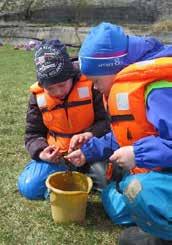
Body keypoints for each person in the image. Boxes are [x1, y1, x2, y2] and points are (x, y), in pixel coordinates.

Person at [66, 22, 172, 243]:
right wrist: (88, 151)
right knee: (119, 208)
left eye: (96, 80)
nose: (94, 88)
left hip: (156, 173)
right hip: (158, 169)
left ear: (113, 68)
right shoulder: (131, 84)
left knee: (137, 189)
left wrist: (137, 154)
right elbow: (129, 132)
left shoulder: (159, 89)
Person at [18, 39, 110, 200]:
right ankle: (64, 179)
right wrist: (41, 152)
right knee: (29, 187)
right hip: (58, 158)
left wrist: (90, 135)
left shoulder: (92, 86)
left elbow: (108, 122)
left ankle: (82, 179)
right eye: (50, 88)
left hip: (90, 153)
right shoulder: (37, 97)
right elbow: (32, 134)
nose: (57, 92)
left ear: (71, 76)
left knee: (106, 181)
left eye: (62, 85)